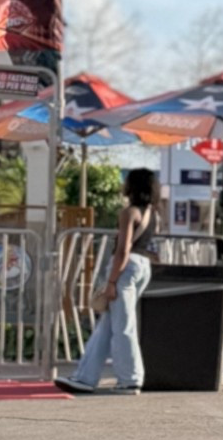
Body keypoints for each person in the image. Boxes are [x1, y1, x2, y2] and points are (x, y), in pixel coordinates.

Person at [57, 168, 158, 395]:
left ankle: (131, 379)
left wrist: (112, 281)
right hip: (142, 266)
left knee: (123, 326)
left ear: (132, 186)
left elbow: (123, 249)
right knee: (108, 326)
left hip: (126, 267)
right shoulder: (152, 213)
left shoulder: (129, 213)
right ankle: (85, 377)